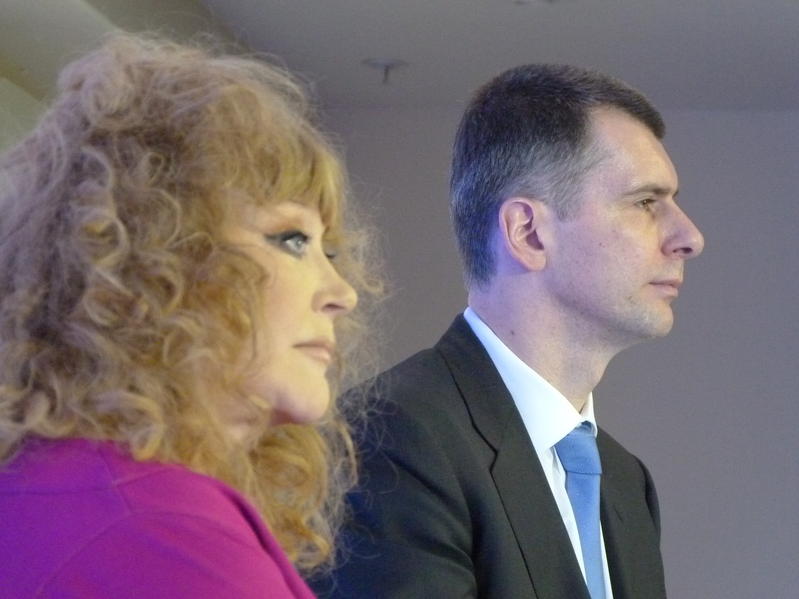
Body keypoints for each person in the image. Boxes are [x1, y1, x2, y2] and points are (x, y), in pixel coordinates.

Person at [0, 34, 380, 598]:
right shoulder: (157, 532)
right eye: (292, 239)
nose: (342, 293)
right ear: (154, 256)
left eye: (330, 250)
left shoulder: (61, 488)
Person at [313, 64, 704, 599]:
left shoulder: (626, 483)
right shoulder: (386, 440)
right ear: (528, 233)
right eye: (644, 202)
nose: (689, 237)